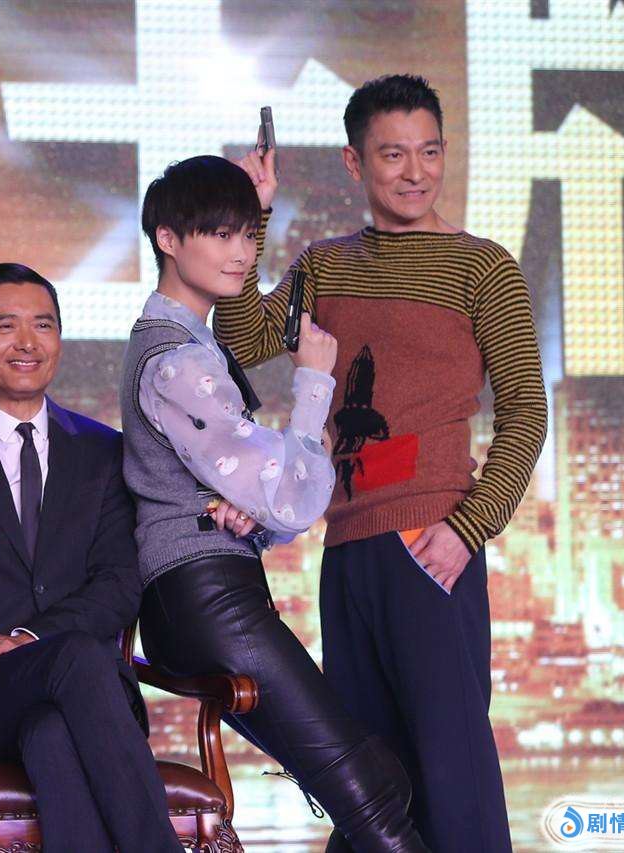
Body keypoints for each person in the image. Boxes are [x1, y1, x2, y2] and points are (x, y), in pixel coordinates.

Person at [214, 74, 547, 852]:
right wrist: (252, 219)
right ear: (355, 163)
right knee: (371, 785)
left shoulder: (483, 268)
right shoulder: (326, 265)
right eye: (393, 154)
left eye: (430, 151)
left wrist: (466, 529)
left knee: (454, 780)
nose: (416, 171)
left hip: (431, 544)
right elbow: (245, 337)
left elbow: (526, 412)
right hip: (347, 549)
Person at [123, 153, 429, 852]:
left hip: (208, 594)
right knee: (370, 791)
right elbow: (291, 497)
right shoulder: (177, 361)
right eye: (219, 234)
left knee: (377, 779)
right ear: (168, 238)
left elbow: (265, 500)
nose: (239, 252)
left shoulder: (187, 342)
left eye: (246, 234)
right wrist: (315, 382)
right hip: (204, 599)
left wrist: (250, 509)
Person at [0, 263, 183, 852]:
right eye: (6, 326)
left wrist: (26, 638)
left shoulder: (103, 451)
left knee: (52, 734)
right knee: (75, 655)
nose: (27, 342)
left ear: (59, 339)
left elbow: (119, 586)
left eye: (43, 325)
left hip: (75, 695)